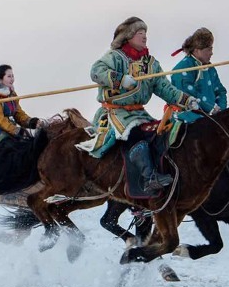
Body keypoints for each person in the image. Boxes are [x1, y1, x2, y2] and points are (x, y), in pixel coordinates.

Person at [80, 17, 200, 192]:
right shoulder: (114, 57)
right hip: (116, 113)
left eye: (145, 33)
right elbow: (96, 71)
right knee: (136, 134)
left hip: (139, 114)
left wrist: (186, 100)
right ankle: (149, 178)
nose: (144, 37)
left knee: (161, 132)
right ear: (128, 37)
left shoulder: (151, 64)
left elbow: (164, 88)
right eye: (139, 33)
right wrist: (120, 80)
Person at [170, 27, 227, 124]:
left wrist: (221, 112)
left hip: (212, 117)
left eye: (211, 49)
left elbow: (220, 91)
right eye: (208, 49)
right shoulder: (182, 69)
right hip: (186, 116)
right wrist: (210, 107)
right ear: (197, 50)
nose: (211, 53)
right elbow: (187, 95)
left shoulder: (210, 69)